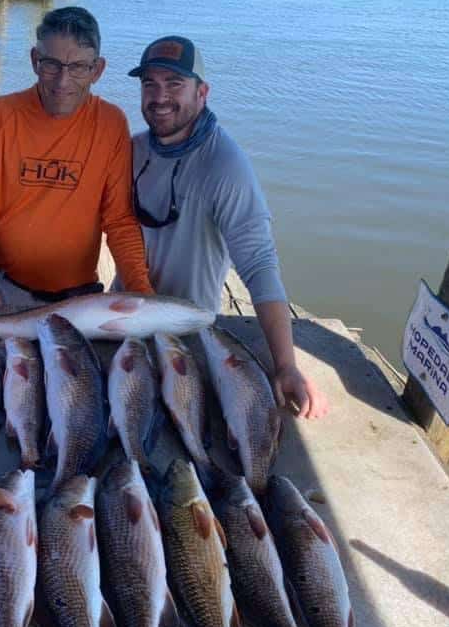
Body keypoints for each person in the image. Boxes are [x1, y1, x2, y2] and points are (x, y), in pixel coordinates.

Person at [123, 35, 328, 419]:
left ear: (202, 92)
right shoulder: (131, 151)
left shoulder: (226, 166)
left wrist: (286, 365)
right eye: (150, 84)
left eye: (174, 84)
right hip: (126, 321)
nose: (159, 96)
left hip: (189, 330)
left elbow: (259, 263)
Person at [0, 6, 153, 318]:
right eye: (51, 65)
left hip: (77, 298)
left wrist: (140, 289)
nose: (62, 81)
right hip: (2, 290)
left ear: (97, 70)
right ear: (35, 60)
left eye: (78, 67)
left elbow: (119, 221)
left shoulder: (111, 123)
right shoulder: (1, 115)